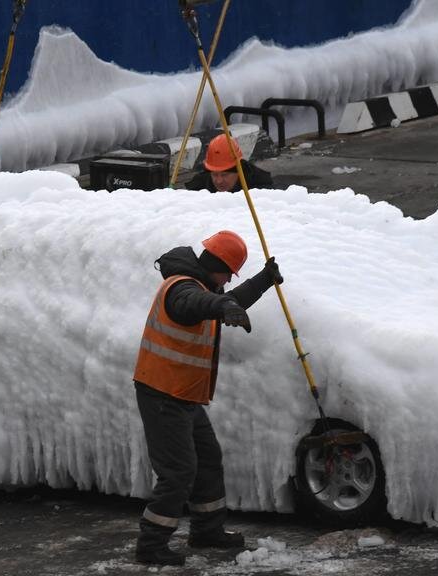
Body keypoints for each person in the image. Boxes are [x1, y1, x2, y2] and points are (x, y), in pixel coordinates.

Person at [131, 230, 282, 566]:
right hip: (162, 392)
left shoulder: (203, 286)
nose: (229, 280)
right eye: (229, 273)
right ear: (217, 266)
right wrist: (223, 303)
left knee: (208, 459)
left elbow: (218, 300)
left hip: (182, 393)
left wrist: (263, 281)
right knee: (178, 472)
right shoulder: (181, 288)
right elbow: (195, 304)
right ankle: (151, 544)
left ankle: (207, 531)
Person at [186, 135, 273, 193]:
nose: (219, 181)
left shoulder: (260, 188)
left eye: (225, 175)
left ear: (239, 170)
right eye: (215, 175)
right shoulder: (198, 187)